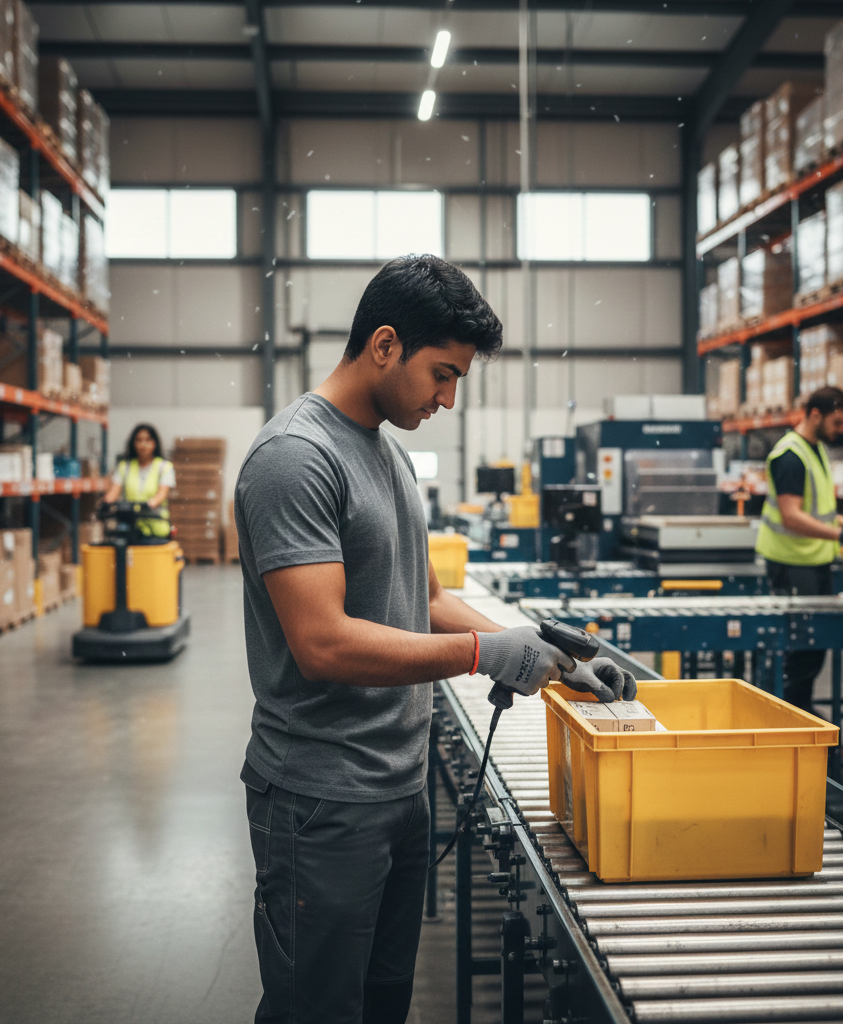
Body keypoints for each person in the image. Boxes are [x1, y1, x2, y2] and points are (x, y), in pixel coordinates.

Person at [235, 255, 634, 1024]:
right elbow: (322, 643)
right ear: (384, 344)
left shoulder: (385, 452)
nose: (449, 400)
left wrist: (551, 661)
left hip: (399, 786)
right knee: (316, 1010)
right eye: (441, 375)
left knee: (383, 1002)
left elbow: (427, 598)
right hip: (322, 800)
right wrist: (486, 656)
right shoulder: (295, 458)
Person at [755, 386, 843, 711]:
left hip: (812, 561)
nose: (841, 430)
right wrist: (840, 536)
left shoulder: (814, 449)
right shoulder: (790, 455)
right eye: (837, 422)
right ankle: (785, 714)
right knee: (798, 649)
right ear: (815, 414)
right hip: (791, 563)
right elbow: (792, 517)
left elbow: (819, 509)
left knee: (813, 646)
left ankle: (799, 709)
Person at [102, 423, 175, 540]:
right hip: (130, 527)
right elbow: (114, 491)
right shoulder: (124, 467)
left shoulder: (164, 467)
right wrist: (105, 503)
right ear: (133, 444)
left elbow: (162, 493)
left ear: (154, 443)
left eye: (147, 440)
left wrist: (149, 504)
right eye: (139, 440)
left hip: (156, 529)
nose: (143, 445)